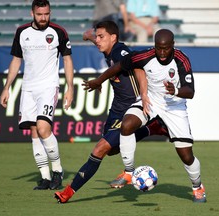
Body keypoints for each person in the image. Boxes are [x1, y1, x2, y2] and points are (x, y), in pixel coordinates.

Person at [83, 29, 207, 203]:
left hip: (174, 107)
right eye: (159, 48)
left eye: (166, 48)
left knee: (186, 155)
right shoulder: (145, 55)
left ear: (172, 45)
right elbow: (119, 65)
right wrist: (99, 80)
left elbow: (191, 92)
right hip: (152, 101)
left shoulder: (182, 59)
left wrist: (176, 91)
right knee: (126, 125)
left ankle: (197, 187)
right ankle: (128, 172)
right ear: (154, 45)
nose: (162, 53)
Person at [54, 21, 168, 204]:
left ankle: (68, 192)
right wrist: (89, 36)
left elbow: (137, 66)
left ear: (113, 38)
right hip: (117, 109)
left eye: (101, 37)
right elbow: (92, 35)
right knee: (113, 150)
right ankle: (152, 129)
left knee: (100, 149)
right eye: (97, 37)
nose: (98, 41)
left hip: (132, 108)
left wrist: (144, 94)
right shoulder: (106, 46)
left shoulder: (120, 51)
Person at [0, 0, 74, 190]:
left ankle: (57, 171)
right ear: (32, 13)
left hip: (48, 87)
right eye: (40, 14)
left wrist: (70, 88)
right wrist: (7, 87)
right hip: (28, 88)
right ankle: (45, 177)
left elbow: (67, 60)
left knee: (43, 128)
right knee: (34, 132)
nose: (44, 18)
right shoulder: (22, 32)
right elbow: (16, 61)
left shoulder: (59, 32)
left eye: (47, 14)